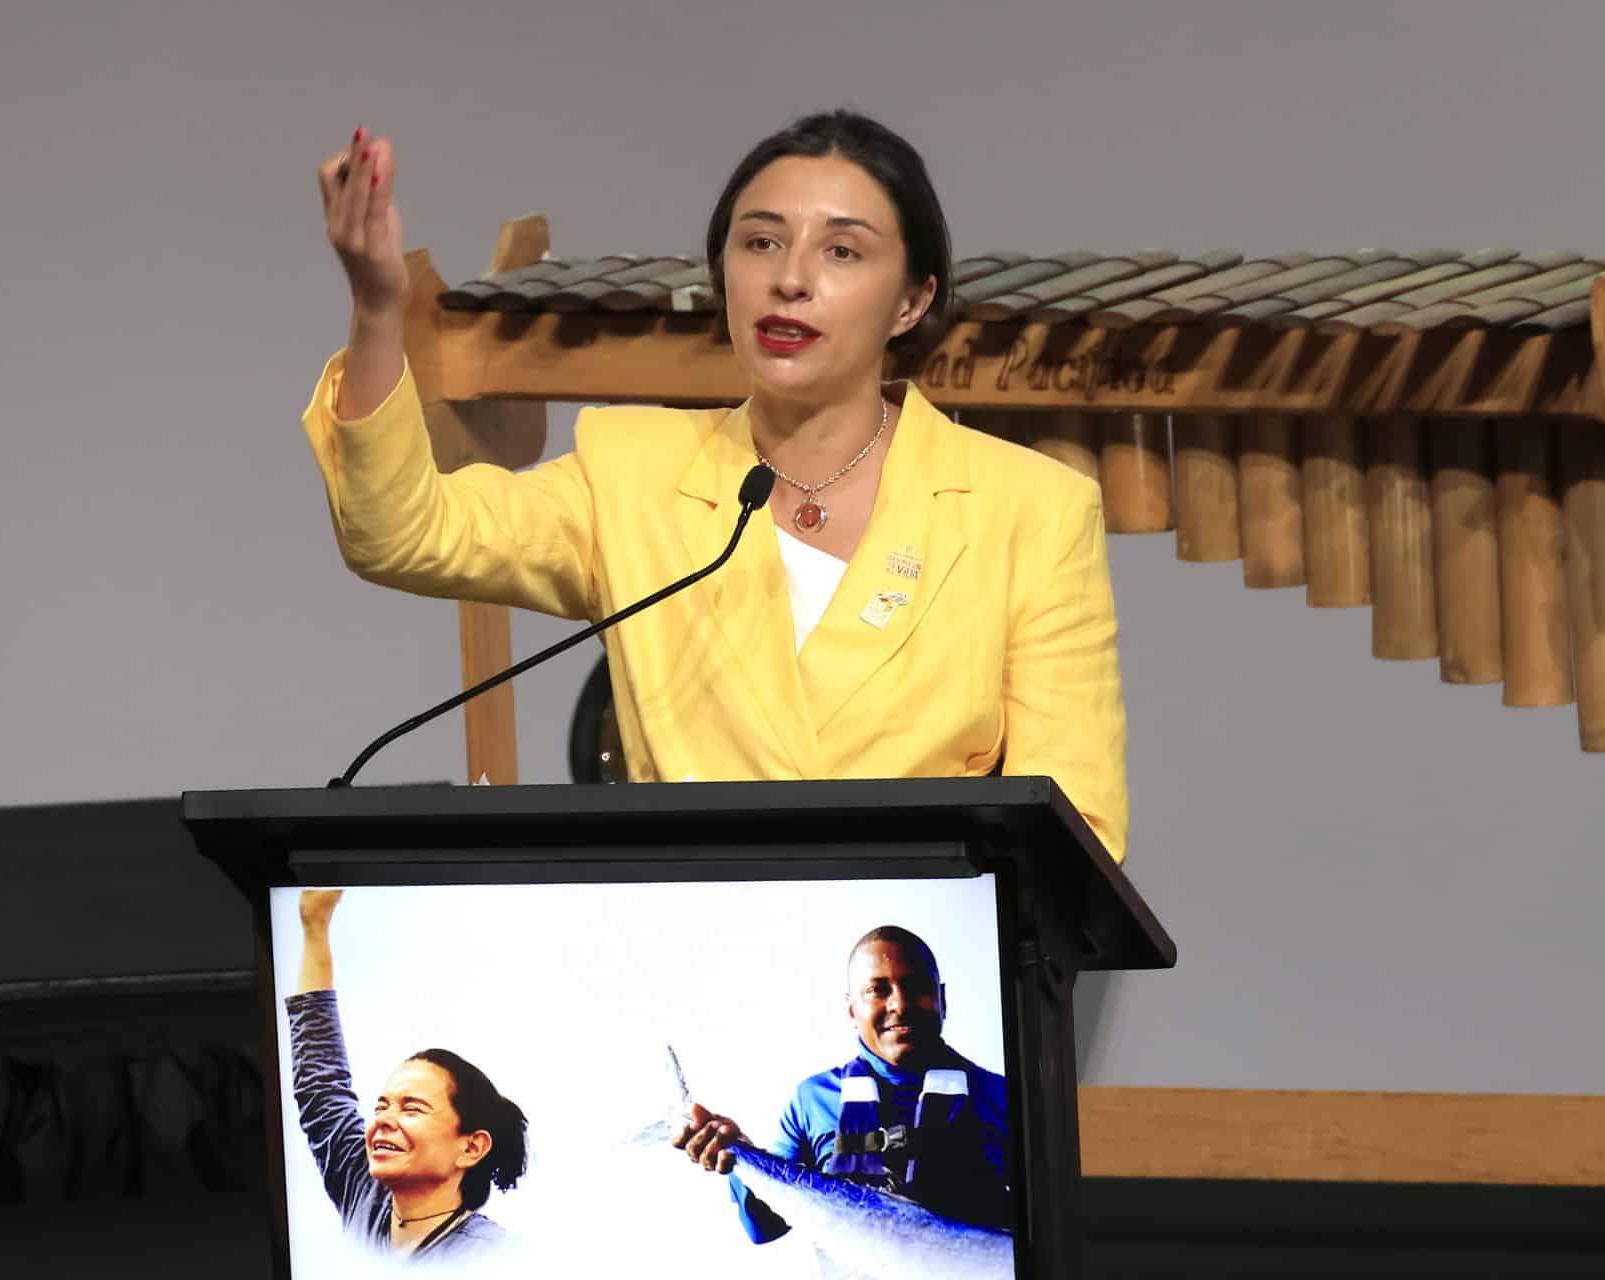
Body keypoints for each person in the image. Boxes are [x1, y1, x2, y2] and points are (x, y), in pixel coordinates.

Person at [305, 110, 1128, 858]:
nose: (790, 279)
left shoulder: (1032, 511)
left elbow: (1080, 827)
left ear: (912, 302)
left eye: (842, 250)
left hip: (903, 970)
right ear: (724, 273)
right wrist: (381, 308)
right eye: (761, 242)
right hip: (693, 961)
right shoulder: (634, 471)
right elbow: (401, 533)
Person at [673, 925, 1010, 1243]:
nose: (900, 1004)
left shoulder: (1007, 1098)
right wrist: (738, 1154)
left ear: (942, 998)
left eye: (917, 987)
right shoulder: (812, 1100)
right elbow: (763, 1227)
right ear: (852, 1009)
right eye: (877, 991)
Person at [285, 889, 527, 1261]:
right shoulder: (363, 1195)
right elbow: (321, 1088)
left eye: (411, 1108)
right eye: (382, 1106)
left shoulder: (498, 1257)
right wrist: (315, 927)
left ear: (471, 1147)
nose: (384, 1120)